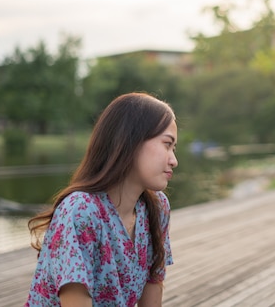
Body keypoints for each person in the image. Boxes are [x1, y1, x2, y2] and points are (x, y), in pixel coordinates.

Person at [24, 92, 177, 307]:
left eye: (174, 148)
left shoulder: (157, 208)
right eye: (167, 145)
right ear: (131, 141)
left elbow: (153, 284)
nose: (174, 160)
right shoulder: (81, 210)